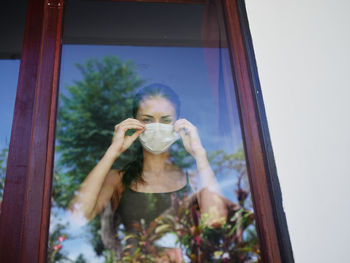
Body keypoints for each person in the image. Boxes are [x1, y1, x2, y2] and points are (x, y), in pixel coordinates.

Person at [68, 83, 227, 261]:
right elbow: (77, 215)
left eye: (166, 120)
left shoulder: (196, 179)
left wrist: (200, 155)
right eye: (148, 120)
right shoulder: (117, 179)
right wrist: (113, 151)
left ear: (178, 124)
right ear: (135, 122)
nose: (157, 127)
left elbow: (217, 222)